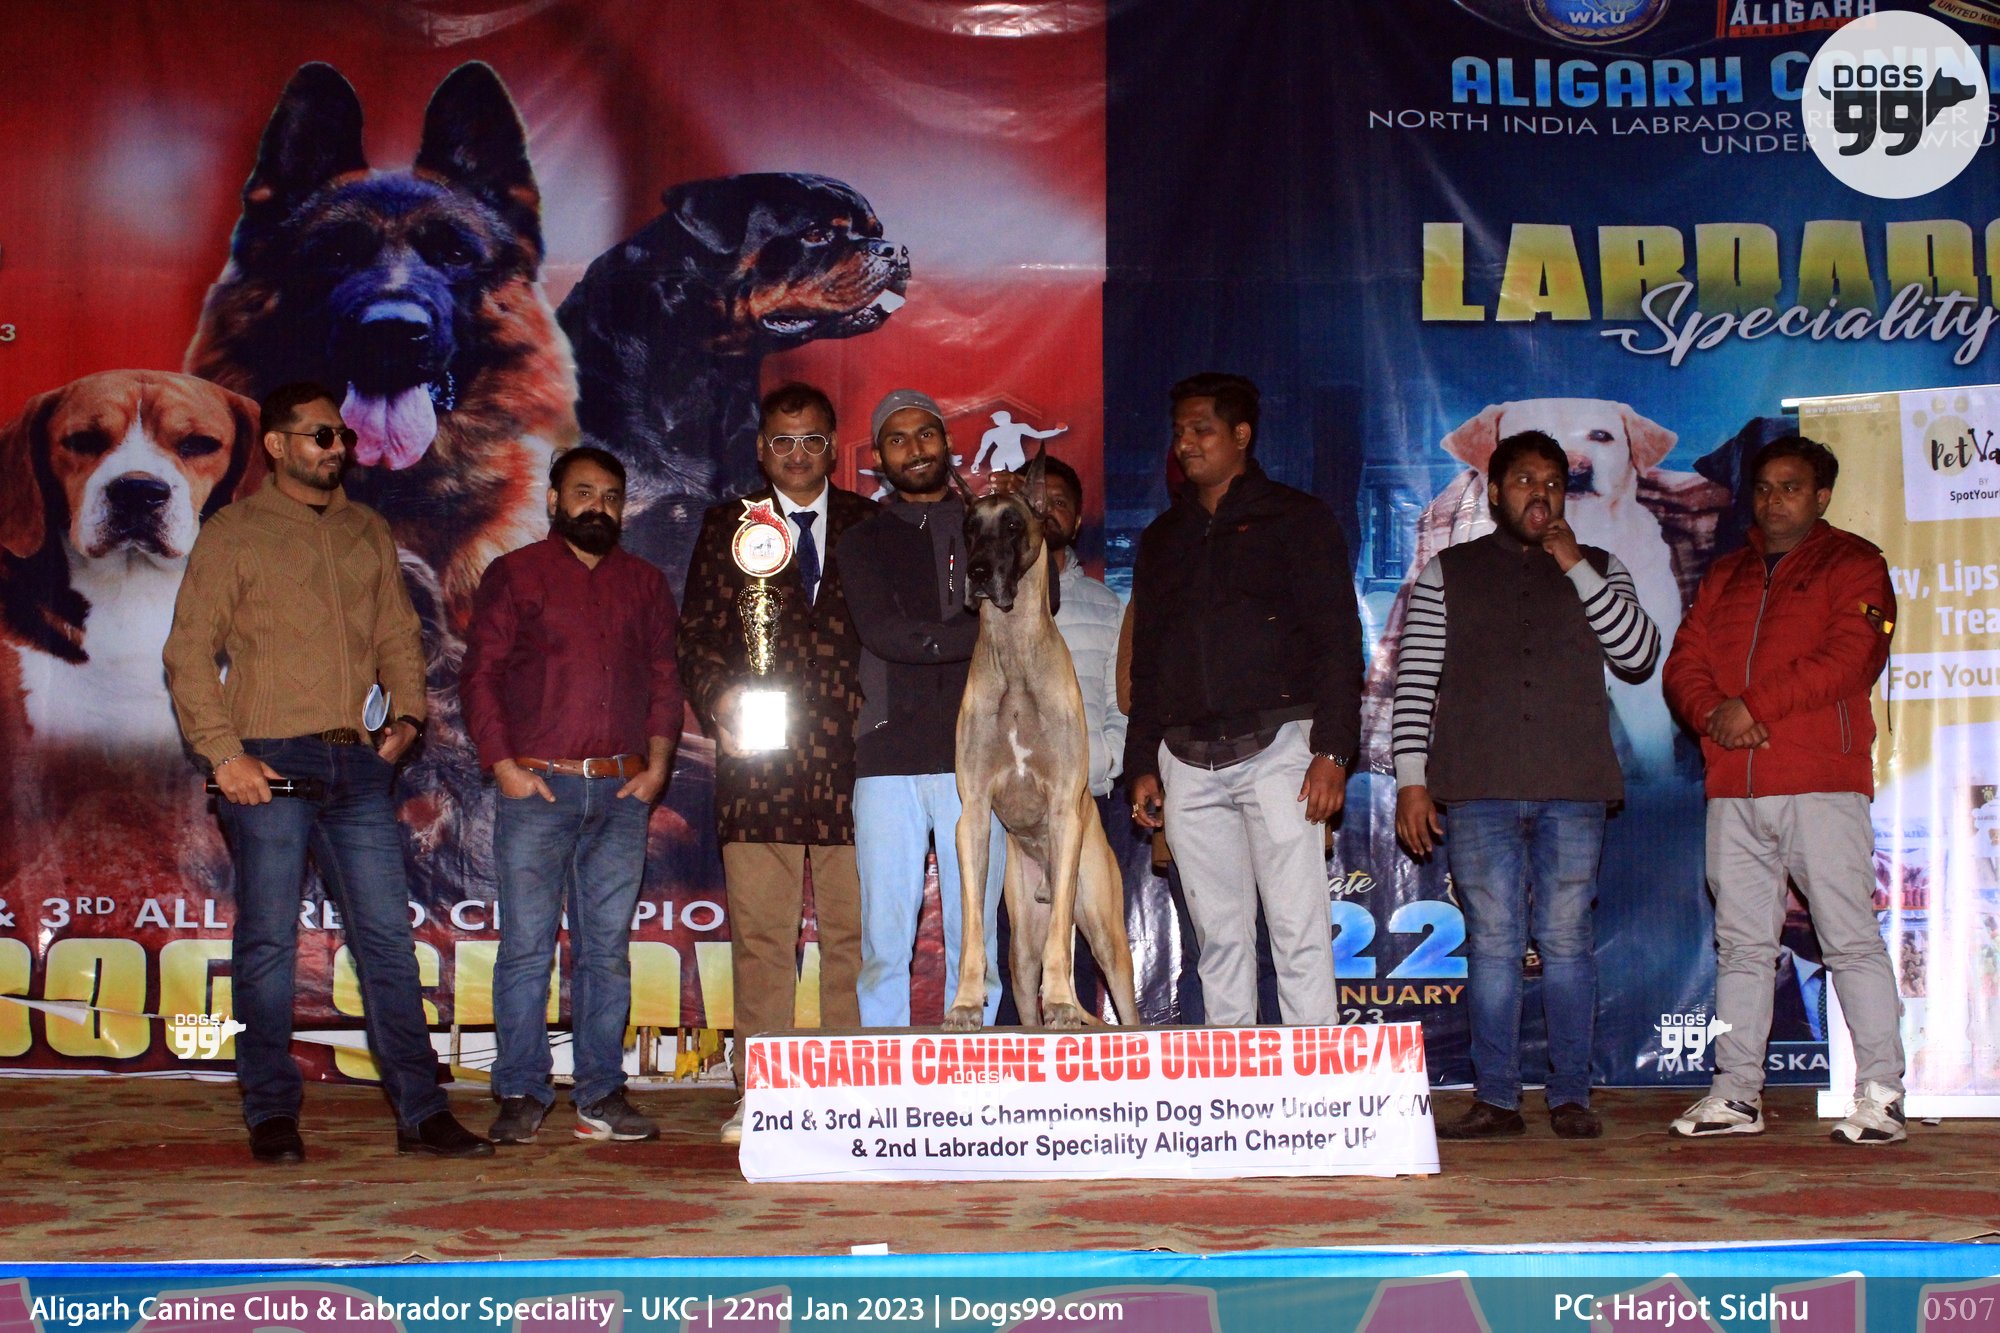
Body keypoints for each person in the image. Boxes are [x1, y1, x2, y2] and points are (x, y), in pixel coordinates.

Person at [163, 381, 491, 1162]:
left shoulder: (365, 529)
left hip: (357, 764)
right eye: (320, 435)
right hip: (269, 760)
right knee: (268, 943)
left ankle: (422, 1112)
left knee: (387, 942)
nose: (337, 446)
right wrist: (225, 753)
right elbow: (187, 652)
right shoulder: (235, 531)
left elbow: (399, 634)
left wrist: (407, 716)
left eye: (341, 435)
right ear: (277, 445)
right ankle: (272, 1112)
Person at [1392, 428, 1661, 1141]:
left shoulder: (1599, 565)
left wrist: (1573, 563)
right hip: (1477, 787)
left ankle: (1571, 1095)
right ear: (1493, 491)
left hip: (1573, 785)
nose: (1539, 494)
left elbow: (1638, 654)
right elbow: (1413, 684)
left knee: (1567, 938)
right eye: (1523, 481)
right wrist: (1412, 781)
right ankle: (1497, 1098)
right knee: (1493, 943)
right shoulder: (1448, 571)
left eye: (1551, 483)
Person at [1661, 434, 1906, 1144]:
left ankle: (1882, 1096)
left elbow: (1850, 658)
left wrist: (1751, 707)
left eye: (1791, 488)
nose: (1774, 501)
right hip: (1734, 787)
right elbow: (1684, 662)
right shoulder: (1726, 573)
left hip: (1819, 781)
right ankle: (1736, 1095)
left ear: (1822, 496)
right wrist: (1714, 715)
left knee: (1848, 938)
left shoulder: (1856, 563)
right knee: (1741, 946)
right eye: (1765, 488)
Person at [1125, 372, 1363, 1029]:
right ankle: (1237, 1083)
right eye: (1179, 431)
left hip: (1280, 748)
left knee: (1298, 930)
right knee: (1219, 940)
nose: (1186, 443)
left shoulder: (1298, 518)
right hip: (1185, 758)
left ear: (1241, 434)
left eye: (1201, 429)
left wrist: (1333, 750)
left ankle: (1316, 1079)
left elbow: (1339, 642)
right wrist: (1141, 762)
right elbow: (1148, 663)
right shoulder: (1163, 538)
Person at [459, 445, 681, 1143]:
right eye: (584, 493)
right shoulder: (515, 574)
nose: (598, 507)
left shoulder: (644, 583)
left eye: (611, 496)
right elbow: (481, 675)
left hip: (621, 791)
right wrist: (503, 766)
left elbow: (665, 678)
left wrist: (657, 768)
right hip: (537, 789)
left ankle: (601, 1091)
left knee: (606, 952)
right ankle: (520, 1090)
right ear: (553, 501)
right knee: (527, 947)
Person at [678, 383, 875, 1143]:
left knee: (853, 938)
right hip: (757, 765)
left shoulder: (869, 523)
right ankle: (762, 1095)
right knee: (762, 939)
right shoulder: (728, 525)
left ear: (833, 448)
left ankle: (851, 1094)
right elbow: (696, 635)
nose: (798, 454)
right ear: (762, 449)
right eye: (783, 441)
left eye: (812, 440)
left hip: (856, 765)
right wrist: (719, 697)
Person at [836, 389, 1006, 1026]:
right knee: (884, 943)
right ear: (879, 458)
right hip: (887, 756)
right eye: (897, 439)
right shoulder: (863, 541)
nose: (914, 449)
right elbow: (884, 634)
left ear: (948, 443)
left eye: (926, 434)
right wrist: (981, 632)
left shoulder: (991, 524)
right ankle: (885, 1066)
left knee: (977, 940)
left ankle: (974, 1066)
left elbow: (1034, 605)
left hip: (979, 755)